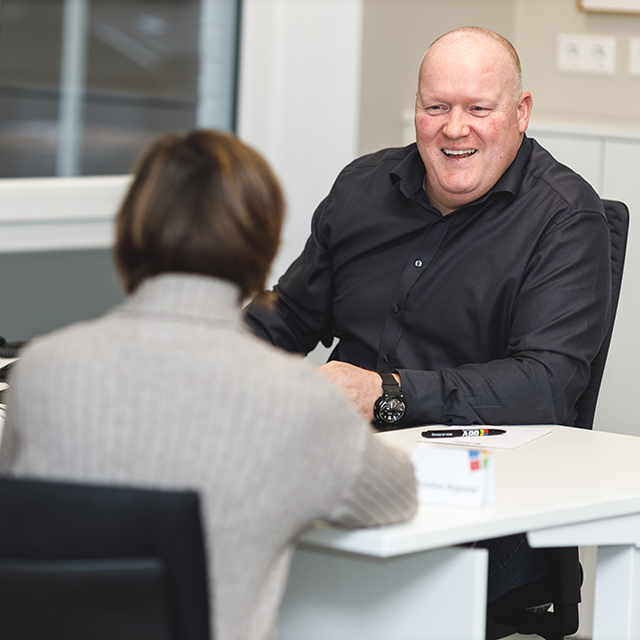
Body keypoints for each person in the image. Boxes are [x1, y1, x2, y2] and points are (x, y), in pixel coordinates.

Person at [0, 130, 418, 640]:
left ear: (131, 230)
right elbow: (395, 497)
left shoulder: (42, 370)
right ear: (262, 247)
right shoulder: (298, 401)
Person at [245, 27, 611, 602]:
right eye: (435, 107)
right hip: (337, 463)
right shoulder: (362, 186)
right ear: (415, 109)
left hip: (483, 492)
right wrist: (209, 352)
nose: (454, 128)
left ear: (521, 112)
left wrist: (383, 393)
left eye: (478, 109)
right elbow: (289, 316)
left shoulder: (565, 219)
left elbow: (544, 386)